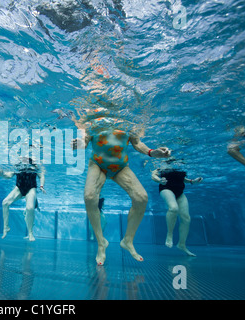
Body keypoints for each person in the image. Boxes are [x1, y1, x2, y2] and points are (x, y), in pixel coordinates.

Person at [72, 107, 171, 265]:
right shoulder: (91, 119)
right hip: (98, 164)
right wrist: (79, 144)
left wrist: (153, 153)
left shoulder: (128, 121)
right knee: (90, 197)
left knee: (141, 198)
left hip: (121, 166)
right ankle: (101, 243)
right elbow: (84, 140)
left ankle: (128, 240)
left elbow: (137, 143)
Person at [151, 165, 203, 256]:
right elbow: (153, 175)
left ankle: (181, 244)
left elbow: (181, 178)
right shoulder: (162, 163)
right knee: (173, 208)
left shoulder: (181, 163)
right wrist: (159, 180)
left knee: (186, 218)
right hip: (166, 188)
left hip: (180, 191)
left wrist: (192, 181)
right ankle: (169, 234)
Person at [0, 157, 46, 242]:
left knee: (30, 208)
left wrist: (41, 186)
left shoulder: (35, 164)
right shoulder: (18, 163)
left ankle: (30, 232)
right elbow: (9, 175)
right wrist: (2, 174)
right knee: (5, 202)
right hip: (19, 188)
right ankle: (6, 227)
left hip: (31, 188)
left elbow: (41, 176)